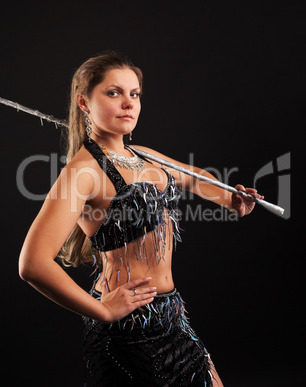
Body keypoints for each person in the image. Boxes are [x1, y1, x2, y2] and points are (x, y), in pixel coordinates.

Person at [19, 52, 263, 386]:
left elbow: (191, 177)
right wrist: (104, 311)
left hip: (172, 316)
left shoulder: (143, 156)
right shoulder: (83, 172)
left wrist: (231, 200)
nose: (128, 103)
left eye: (134, 94)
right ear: (84, 102)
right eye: (113, 93)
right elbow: (32, 264)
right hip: (127, 329)